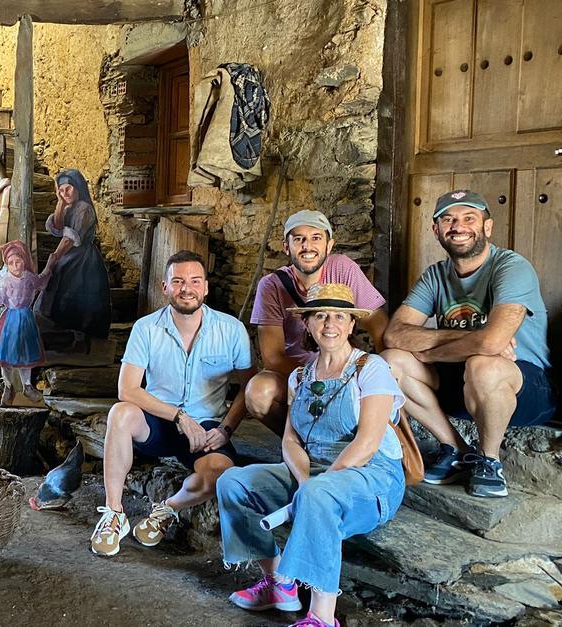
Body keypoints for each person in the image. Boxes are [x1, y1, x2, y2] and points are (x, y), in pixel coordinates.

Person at [218, 284, 406, 627]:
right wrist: (304, 481)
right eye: (320, 315)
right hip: (315, 471)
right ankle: (278, 583)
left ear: (352, 325)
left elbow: (366, 443)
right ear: (307, 323)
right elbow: (291, 441)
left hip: (371, 477)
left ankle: (322, 615)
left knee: (318, 494)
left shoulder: (372, 368)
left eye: (339, 316)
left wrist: (315, 488)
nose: (329, 323)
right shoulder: (300, 376)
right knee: (233, 481)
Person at [382, 190, 556, 498]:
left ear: (487, 227)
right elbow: (395, 334)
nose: (457, 226)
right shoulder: (435, 275)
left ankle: (489, 461)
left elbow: (492, 343)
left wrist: (430, 347)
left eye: (468, 218)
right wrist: (467, 339)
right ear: (436, 230)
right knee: (390, 360)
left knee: (484, 363)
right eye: (448, 219)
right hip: (462, 381)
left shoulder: (511, 267)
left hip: (525, 387)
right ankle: (458, 449)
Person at [90, 251, 253, 557]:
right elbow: (127, 389)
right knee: (120, 413)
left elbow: (250, 387)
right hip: (159, 422)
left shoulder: (231, 330)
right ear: (164, 287)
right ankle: (114, 514)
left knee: (220, 473)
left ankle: (166, 510)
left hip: (206, 428)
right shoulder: (146, 328)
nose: (186, 288)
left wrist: (227, 428)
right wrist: (178, 417)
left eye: (194, 281)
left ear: (205, 287)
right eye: (177, 281)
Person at [246, 210, 387, 436]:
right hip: (297, 372)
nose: (307, 246)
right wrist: (318, 379)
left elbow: (377, 324)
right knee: (258, 393)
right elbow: (273, 357)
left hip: (345, 368)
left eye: (316, 238)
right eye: (299, 239)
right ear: (286, 246)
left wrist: (379, 372)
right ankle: (303, 441)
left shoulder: (342, 268)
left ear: (329, 245)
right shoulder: (272, 286)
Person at [34, 168, 112, 341]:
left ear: (78, 187)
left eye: (68, 189)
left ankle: (75, 335)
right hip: (70, 256)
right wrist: (60, 205)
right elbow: (58, 227)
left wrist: (54, 258)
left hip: (83, 258)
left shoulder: (83, 209)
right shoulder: (70, 207)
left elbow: (70, 238)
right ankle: (60, 333)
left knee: (75, 290)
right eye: (61, 190)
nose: (65, 193)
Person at [0, 240, 52, 405]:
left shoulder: (29, 278)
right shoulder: (5, 282)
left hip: (26, 319)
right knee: (7, 354)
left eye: (18, 262)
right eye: (11, 263)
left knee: (26, 353)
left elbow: (41, 283)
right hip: (10, 321)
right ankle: (8, 386)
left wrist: (49, 267)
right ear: (7, 265)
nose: (15, 266)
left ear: (24, 261)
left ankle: (27, 386)